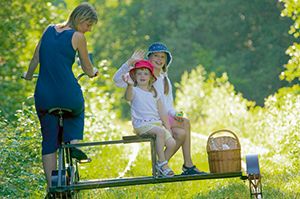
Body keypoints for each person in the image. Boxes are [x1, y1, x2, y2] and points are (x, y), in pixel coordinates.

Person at [23, 2, 98, 189]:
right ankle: (73, 143)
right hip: (67, 95)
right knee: (77, 110)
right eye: (88, 25)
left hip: (44, 96)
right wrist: (93, 73)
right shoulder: (78, 36)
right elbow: (87, 68)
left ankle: (52, 187)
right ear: (81, 20)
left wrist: (29, 75)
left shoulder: (48, 29)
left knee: (48, 141)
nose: (88, 30)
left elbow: (35, 58)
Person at [113, 43, 206, 175]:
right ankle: (181, 165)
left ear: (166, 61)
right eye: (155, 56)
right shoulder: (140, 76)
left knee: (183, 127)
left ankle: (167, 165)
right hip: (148, 120)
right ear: (148, 58)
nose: (159, 59)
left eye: (162, 57)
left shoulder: (164, 80)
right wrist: (129, 62)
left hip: (162, 117)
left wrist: (176, 114)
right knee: (183, 129)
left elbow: (168, 106)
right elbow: (117, 80)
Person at [123, 59, 176, 177]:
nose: (142, 76)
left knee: (172, 143)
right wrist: (129, 85)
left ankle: (160, 165)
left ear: (151, 77)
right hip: (141, 125)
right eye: (139, 73)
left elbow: (162, 113)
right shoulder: (134, 90)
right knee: (160, 132)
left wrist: (168, 128)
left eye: (146, 73)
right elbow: (128, 97)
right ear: (134, 76)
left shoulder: (154, 93)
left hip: (156, 124)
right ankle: (163, 164)